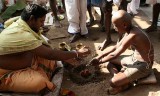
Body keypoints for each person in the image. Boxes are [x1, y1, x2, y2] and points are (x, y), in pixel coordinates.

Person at [0, 4, 90, 93]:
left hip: (25, 61)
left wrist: (67, 56)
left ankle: (35, 70)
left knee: (52, 61)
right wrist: (77, 53)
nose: (43, 24)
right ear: (31, 19)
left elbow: (47, 50)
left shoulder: (21, 23)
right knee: (40, 83)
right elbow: (50, 54)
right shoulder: (23, 34)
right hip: (5, 73)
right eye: (41, 21)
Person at [90, 10, 154, 95]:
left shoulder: (133, 35)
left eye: (115, 25)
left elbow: (115, 54)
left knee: (113, 82)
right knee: (110, 63)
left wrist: (99, 61)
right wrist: (99, 57)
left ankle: (133, 79)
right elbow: (116, 47)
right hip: (133, 59)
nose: (114, 28)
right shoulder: (130, 30)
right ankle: (123, 79)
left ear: (124, 25)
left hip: (144, 66)